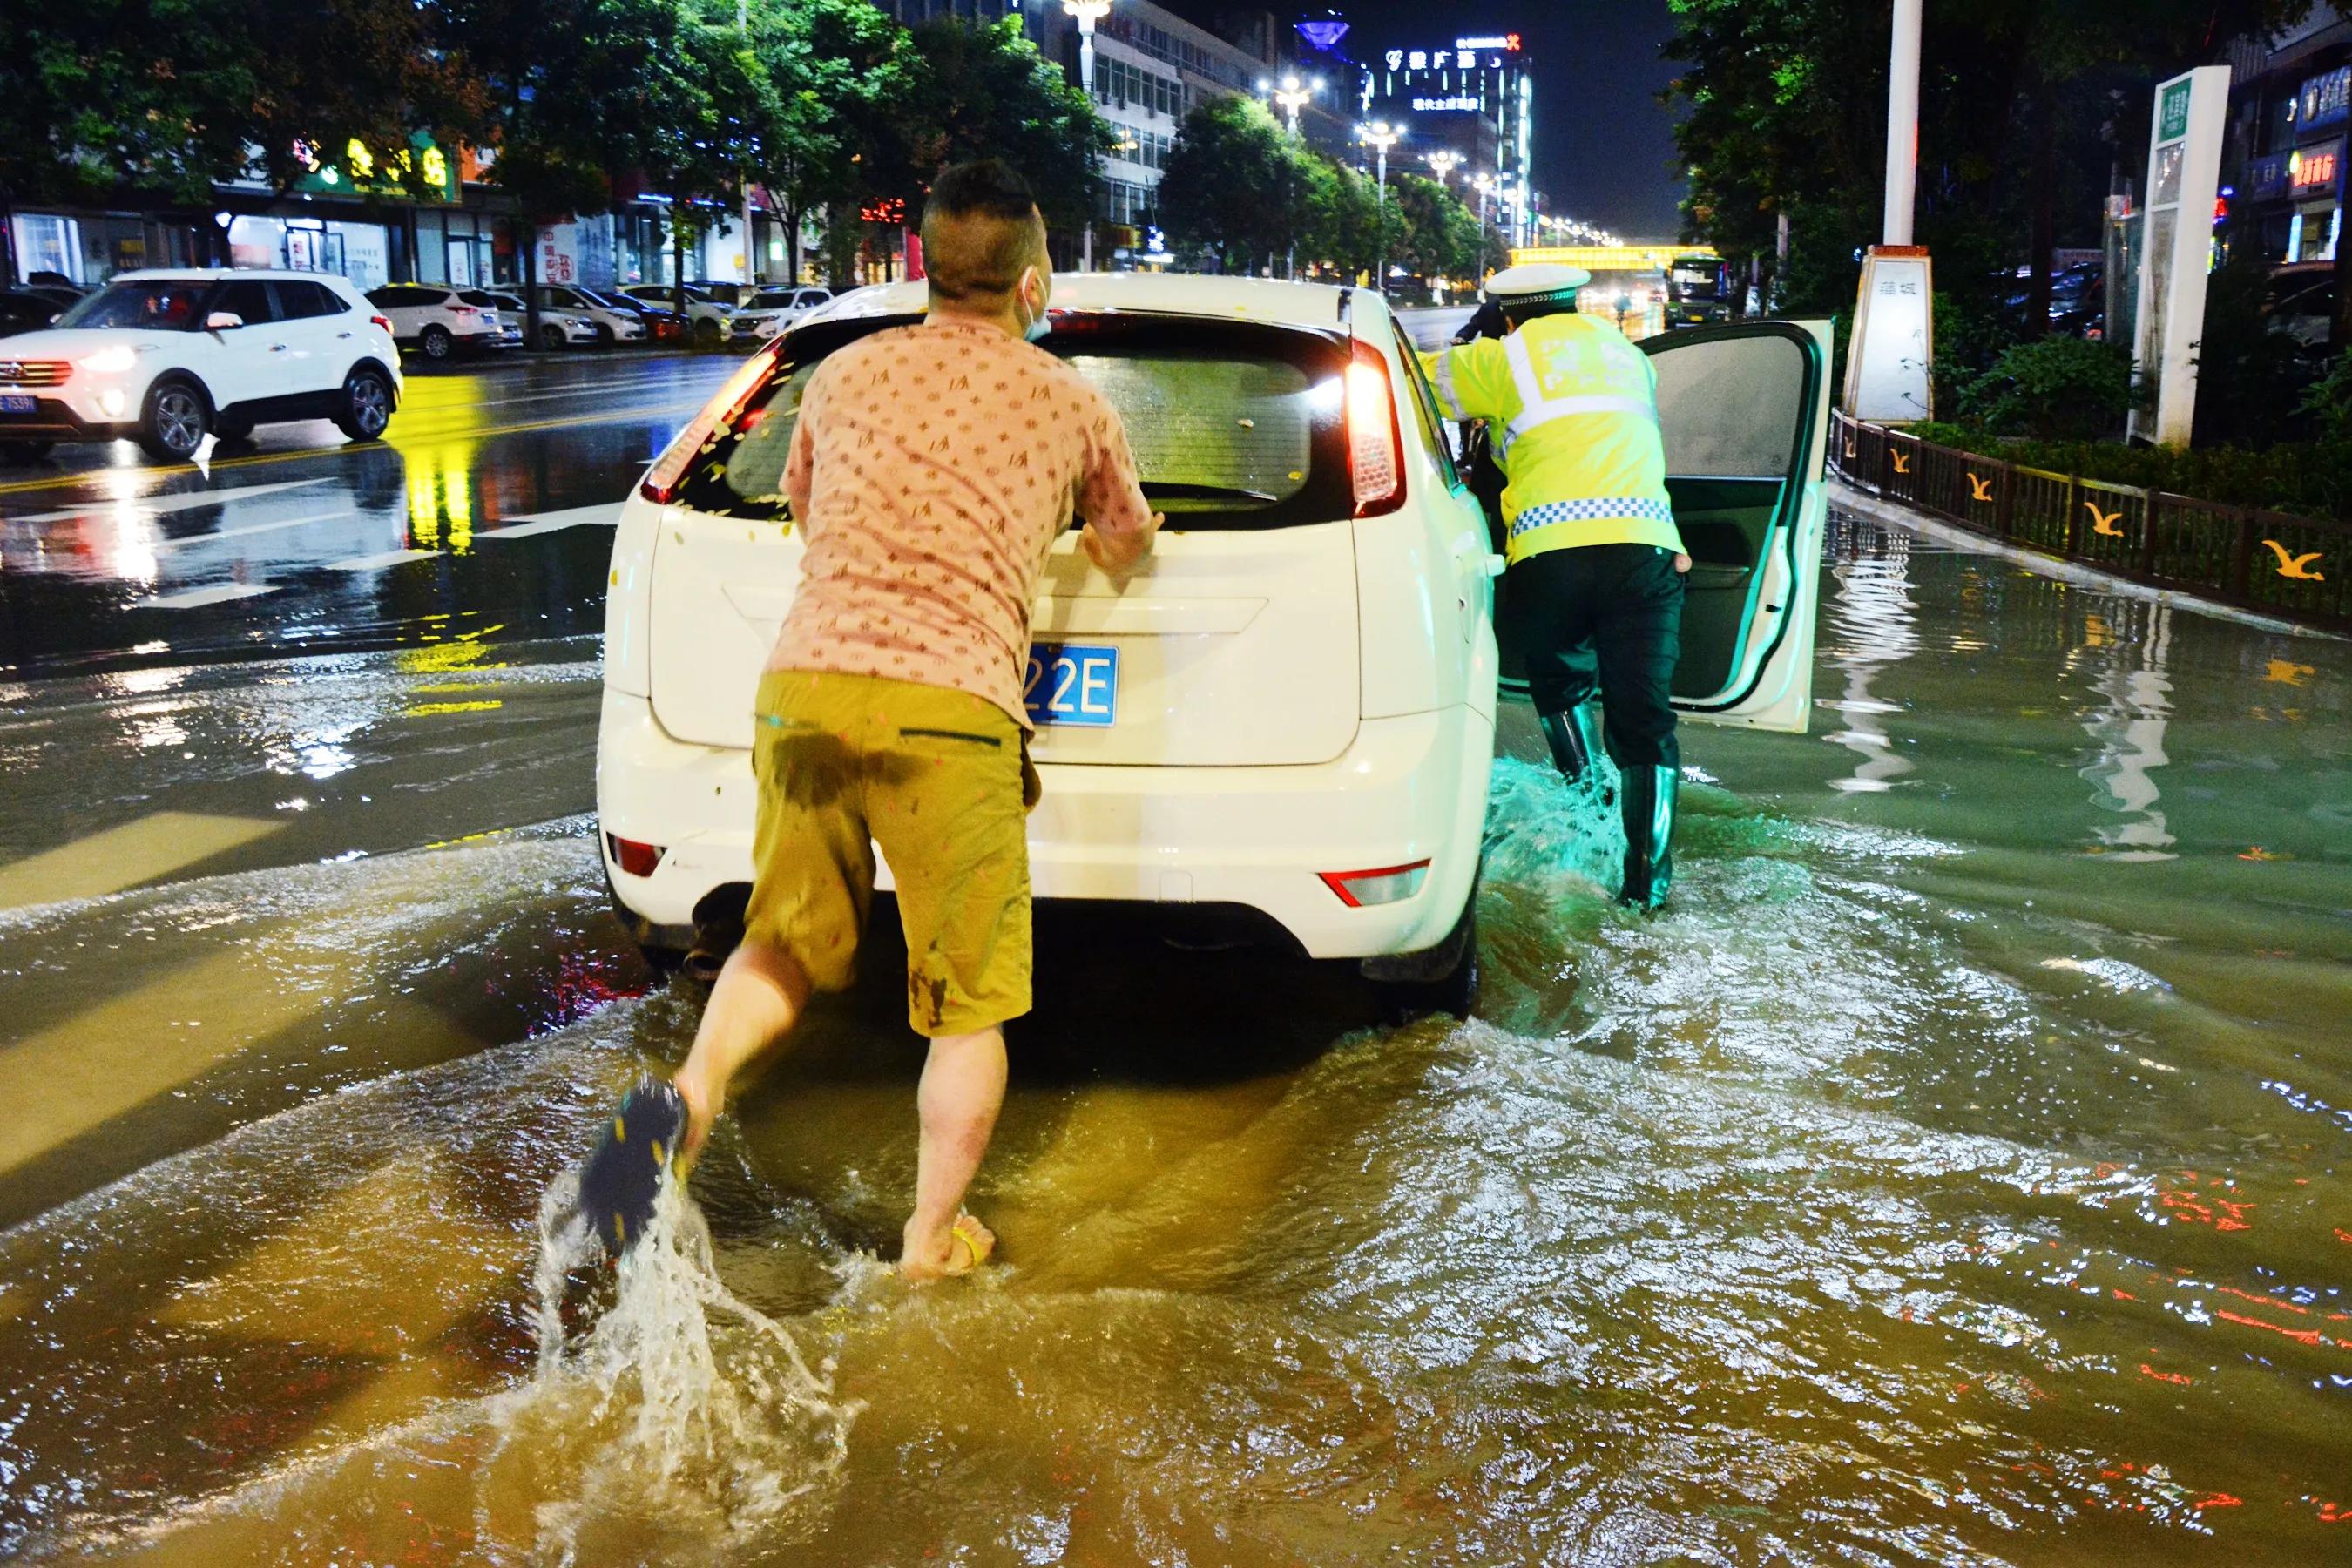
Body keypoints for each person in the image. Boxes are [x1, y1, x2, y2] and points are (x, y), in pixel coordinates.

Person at [670, 159, 1162, 1280]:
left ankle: (692, 1090)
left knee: (781, 941)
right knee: (965, 1003)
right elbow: (1125, 541)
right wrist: (1094, 542)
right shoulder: (1071, 402)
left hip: (805, 689)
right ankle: (930, 1240)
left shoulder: (842, 374)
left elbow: (805, 505)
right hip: (952, 712)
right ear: (1032, 284)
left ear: (923, 266)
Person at [1421, 263, 1689, 910]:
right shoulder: (1630, 355)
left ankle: (1588, 805)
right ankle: (1647, 887)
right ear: (1575, 302)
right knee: (1645, 718)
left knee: (1560, 683)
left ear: (1507, 314)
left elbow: (1405, 379)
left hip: (1551, 554)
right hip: (1648, 552)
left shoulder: (1500, 358)